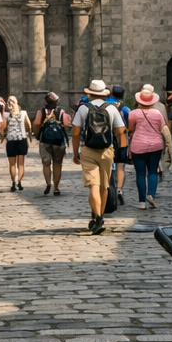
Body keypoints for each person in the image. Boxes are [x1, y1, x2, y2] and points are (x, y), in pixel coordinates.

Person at [71, 79, 125, 235]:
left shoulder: (83, 109)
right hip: (107, 150)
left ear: (89, 93)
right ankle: (99, 217)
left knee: (93, 185)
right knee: (104, 185)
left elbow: (75, 133)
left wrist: (76, 153)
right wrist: (120, 149)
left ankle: (98, 218)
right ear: (104, 93)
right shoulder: (112, 109)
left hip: (88, 149)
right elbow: (121, 131)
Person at [126, 85, 169, 209]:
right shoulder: (157, 113)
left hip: (138, 146)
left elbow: (130, 129)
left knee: (140, 174)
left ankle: (141, 202)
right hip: (156, 146)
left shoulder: (133, 113)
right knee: (152, 172)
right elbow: (162, 128)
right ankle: (151, 195)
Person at [33, 93, 71, 195]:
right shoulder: (61, 112)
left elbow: (36, 123)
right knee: (57, 164)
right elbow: (67, 123)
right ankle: (56, 188)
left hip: (45, 139)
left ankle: (48, 183)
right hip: (58, 140)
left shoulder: (41, 112)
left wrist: (37, 135)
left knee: (46, 163)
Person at [108, 84, 131, 206]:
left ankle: (108, 188)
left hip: (106, 139)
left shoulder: (104, 105)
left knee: (108, 165)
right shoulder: (125, 109)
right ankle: (119, 189)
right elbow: (130, 124)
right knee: (121, 167)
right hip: (121, 139)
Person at [2, 94, 30, 191]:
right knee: (21, 164)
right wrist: (28, 134)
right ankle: (19, 182)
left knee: (12, 164)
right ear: (17, 102)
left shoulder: (5, 115)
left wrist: (2, 135)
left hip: (11, 140)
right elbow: (29, 125)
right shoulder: (23, 113)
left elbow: (3, 128)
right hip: (21, 139)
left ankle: (14, 182)